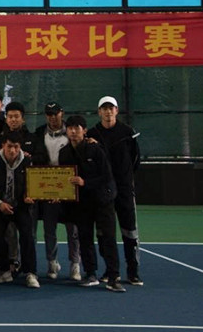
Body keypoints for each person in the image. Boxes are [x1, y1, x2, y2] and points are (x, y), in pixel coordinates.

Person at [59, 115, 125, 292]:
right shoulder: (64, 153)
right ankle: (91, 274)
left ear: (84, 131)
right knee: (85, 238)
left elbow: (106, 176)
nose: (73, 131)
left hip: (103, 200)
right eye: (70, 128)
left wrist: (85, 182)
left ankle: (113, 277)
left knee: (108, 238)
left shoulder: (95, 149)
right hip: (81, 203)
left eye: (77, 128)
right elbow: (63, 179)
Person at [87, 95, 143, 286]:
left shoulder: (128, 132)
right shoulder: (92, 133)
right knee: (104, 233)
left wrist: (125, 179)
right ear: (99, 112)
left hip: (124, 190)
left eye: (111, 108)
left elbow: (135, 159)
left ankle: (133, 271)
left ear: (117, 111)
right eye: (104, 108)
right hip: (103, 191)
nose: (108, 112)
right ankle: (110, 270)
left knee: (130, 231)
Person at [0, 131, 39, 288]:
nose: (12, 150)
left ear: (20, 147)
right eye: (9, 146)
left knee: (27, 236)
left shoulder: (27, 161)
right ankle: (5, 270)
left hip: (21, 206)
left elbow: (33, 184)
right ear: (3, 146)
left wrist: (29, 195)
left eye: (16, 147)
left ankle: (30, 273)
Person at [33, 102, 81, 281]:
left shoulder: (72, 131)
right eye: (49, 114)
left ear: (62, 113)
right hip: (47, 188)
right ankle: (52, 263)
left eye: (55, 113)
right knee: (49, 229)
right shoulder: (39, 133)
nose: (53, 117)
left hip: (69, 188)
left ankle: (75, 264)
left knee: (73, 230)